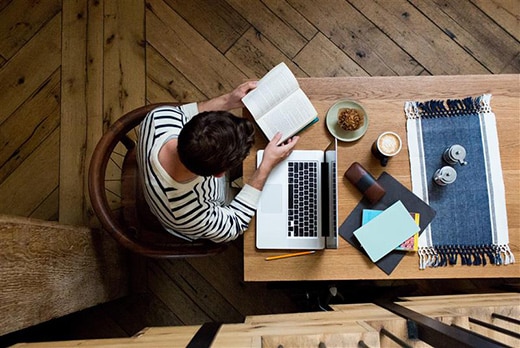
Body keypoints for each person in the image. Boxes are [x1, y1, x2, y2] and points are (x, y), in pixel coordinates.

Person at [137, 81, 299, 243]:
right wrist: (265, 166)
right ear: (219, 174)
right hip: (209, 211)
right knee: (280, 202)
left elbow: (187, 112)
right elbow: (235, 224)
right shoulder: (188, 212)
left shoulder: (158, 118)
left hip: (194, 184)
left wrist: (227, 100)